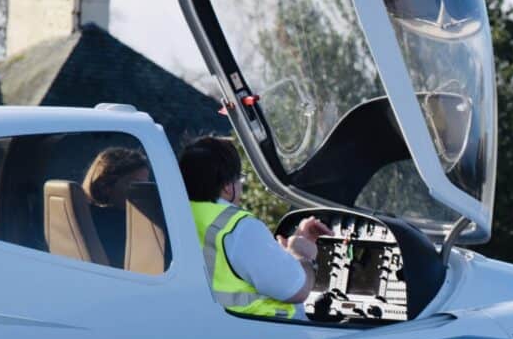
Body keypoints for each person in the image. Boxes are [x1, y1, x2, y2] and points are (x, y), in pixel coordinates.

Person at [179, 135, 329, 319]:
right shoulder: (238, 227)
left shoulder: (175, 216)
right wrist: (302, 255)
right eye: (239, 180)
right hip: (262, 332)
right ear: (227, 187)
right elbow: (296, 290)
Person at [81, 147, 151, 268]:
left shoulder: (84, 214)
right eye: (136, 185)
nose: (144, 192)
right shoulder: (116, 224)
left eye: (146, 185)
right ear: (105, 186)